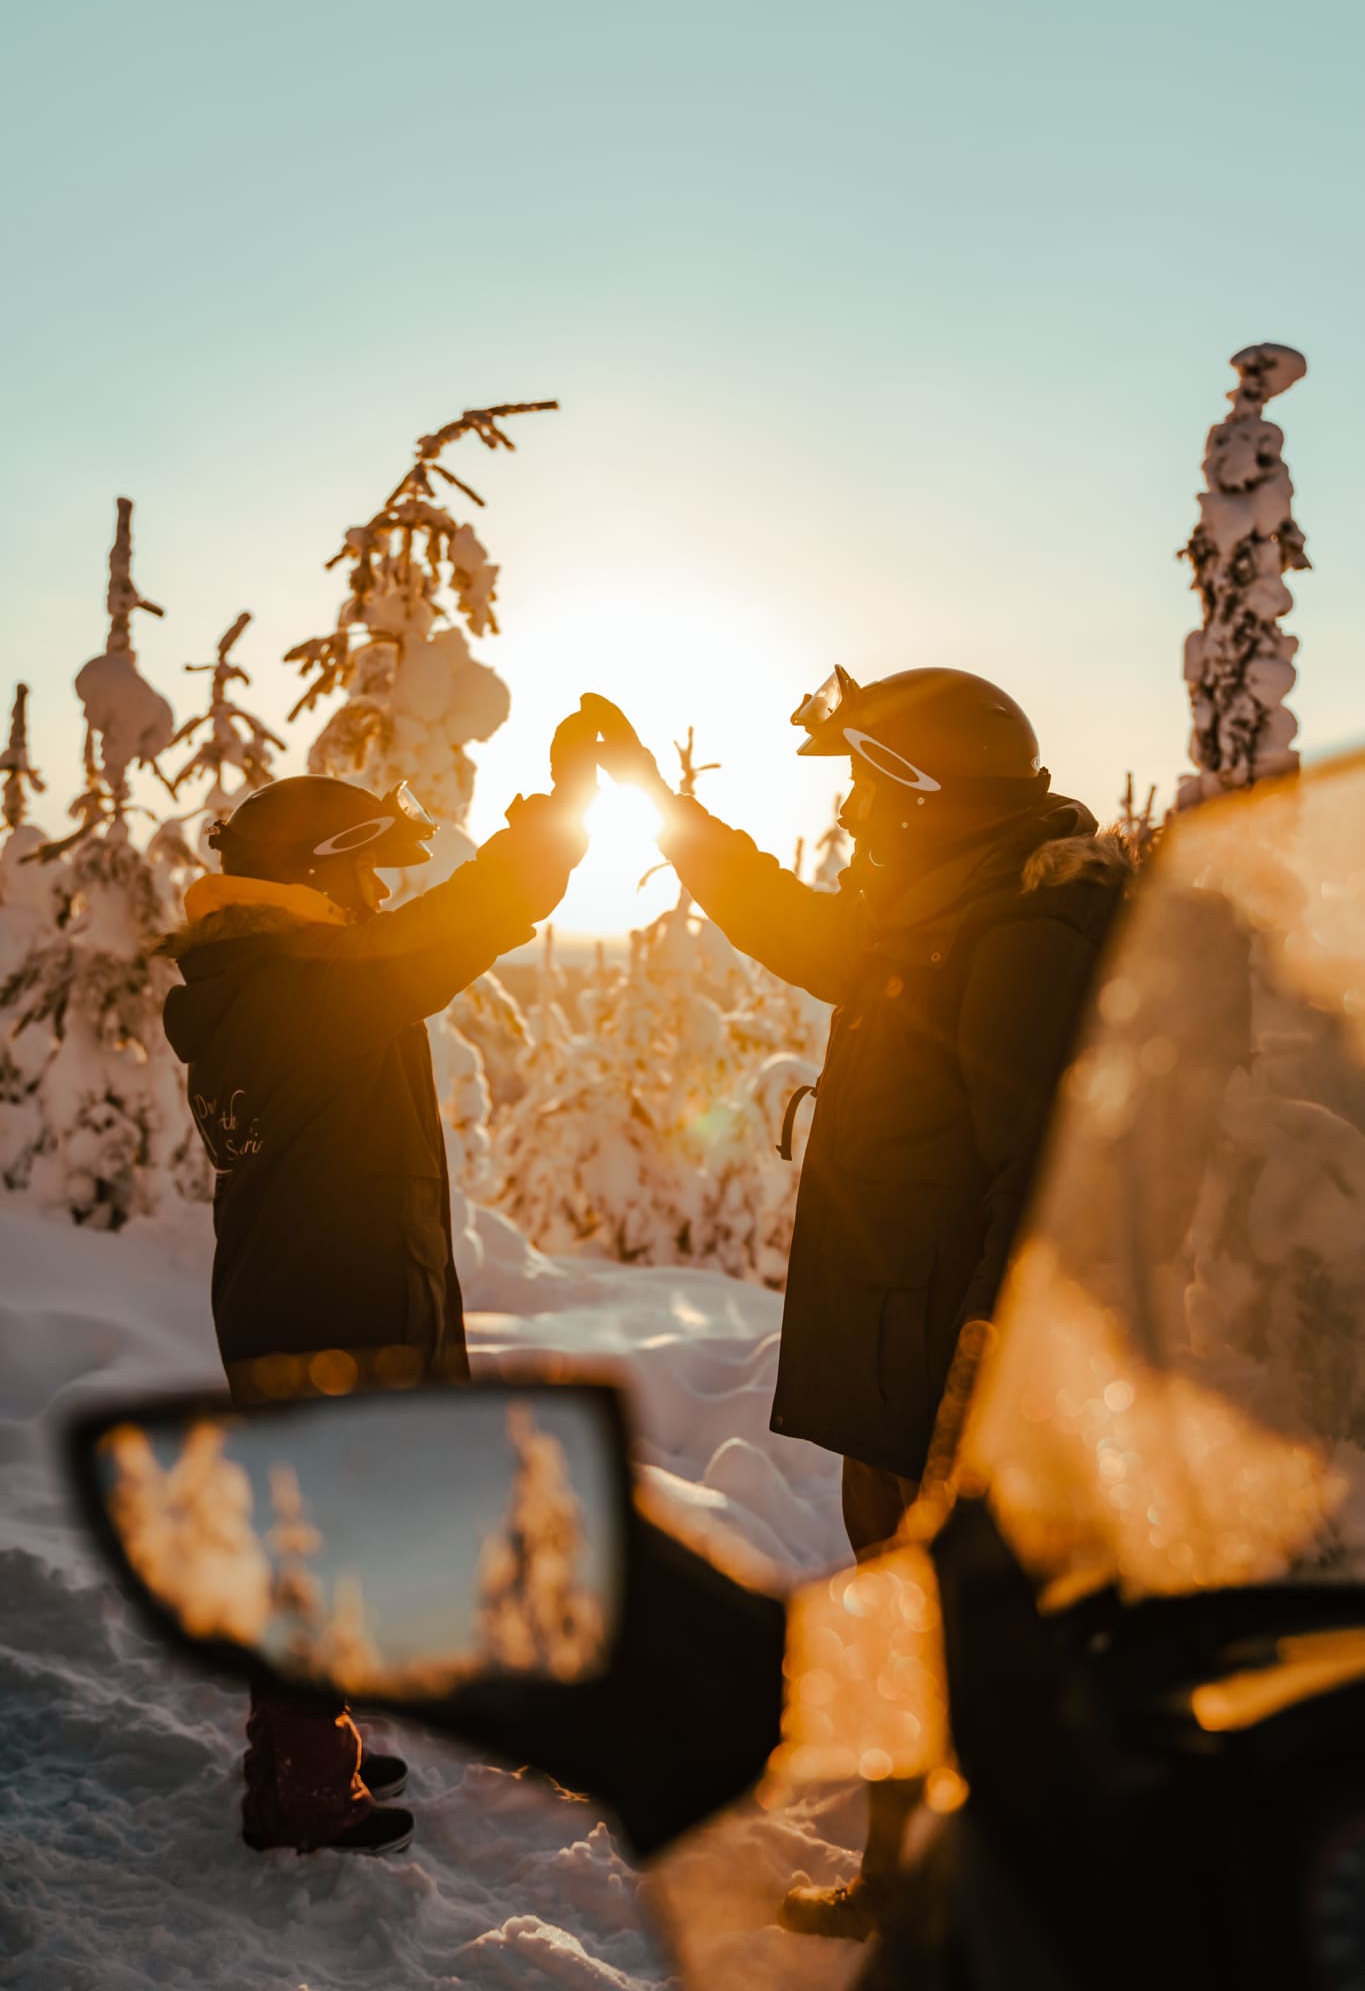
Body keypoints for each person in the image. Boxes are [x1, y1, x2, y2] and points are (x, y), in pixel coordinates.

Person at [587, 669, 1129, 1937]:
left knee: (948, 1625)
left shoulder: (1017, 933)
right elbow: (794, 923)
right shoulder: (948, 902)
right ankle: (926, 1881)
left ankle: (963, 1894)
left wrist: (981, 1379)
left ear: (921, 792)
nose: (855, 810)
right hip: (898, 1333)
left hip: (944, 1353)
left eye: (867, 784)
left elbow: (1039, 1170)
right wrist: (657, 803)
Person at [157, 715, 599, 1857]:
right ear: (319, 878)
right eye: (361, 870)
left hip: (308, 1291)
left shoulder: (269, 978)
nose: (374, 893)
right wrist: (561, 811)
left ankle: (306, 1742)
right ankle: (302, 1782)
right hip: (332, 1302)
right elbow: (461, 922)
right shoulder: (302, 987)